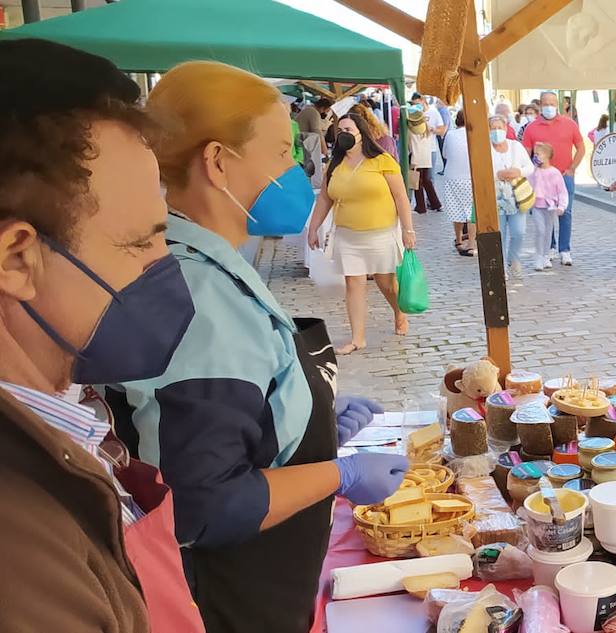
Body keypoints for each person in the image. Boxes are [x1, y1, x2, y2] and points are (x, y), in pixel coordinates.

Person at [104, 62, 409, 633]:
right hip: (232, 599)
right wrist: (336, 475)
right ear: (218, 162)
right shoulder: (196, 294)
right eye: (281, 151)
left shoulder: (212, 263)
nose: (296, 168)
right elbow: (203, 503)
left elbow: (226, 419)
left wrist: (301, 422)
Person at [0, 37, 205, 633]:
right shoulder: (20, 554)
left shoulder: (67, 419)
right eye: (140, 242)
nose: (166, 263)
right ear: (16, 259)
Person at [307, 113, 418, 355]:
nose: (343, 133)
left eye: (348, 128)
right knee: (353, 283)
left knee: (385, 282)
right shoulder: (334, 164)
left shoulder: (382, 160)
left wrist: (408, 230)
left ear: (361, 133)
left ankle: (399, 312)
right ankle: (357, 338)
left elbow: (400, 196)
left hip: (380, 232)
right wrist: (314, 227)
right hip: (348, 235)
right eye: (340, 130)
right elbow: (325, 197)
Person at [522, 90, 586, 266]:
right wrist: (529, 174)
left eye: (552, 103)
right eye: (545, 103)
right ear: (540, 105)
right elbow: (525, 153)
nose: (549, 106)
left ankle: (564, 250)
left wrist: (572, 167)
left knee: (565, 212)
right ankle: (549, 248)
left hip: (564, 176)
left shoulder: (569, 124)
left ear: (557, 104)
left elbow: (581, 147)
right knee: (544, 213)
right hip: (542, 178)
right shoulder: (532, 127)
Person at [490, 115, 536, 276]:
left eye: (499, 128)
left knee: (519, 232)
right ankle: (501, 267)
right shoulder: (486, 149)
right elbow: (480, 172)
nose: (496, 131)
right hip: (496, 199)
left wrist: (518, 171)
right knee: (499, 234)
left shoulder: (515, 146)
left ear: (505, 129)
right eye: (493, 128)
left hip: (516, 197)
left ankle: (513, 258)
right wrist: (498, 174)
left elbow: (529, 167)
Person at [437, 109, 476, 256]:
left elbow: (445, 154)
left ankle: (459, 239)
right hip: (470, 176)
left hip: (452, 175)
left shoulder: (451, 135)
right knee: (472, 212)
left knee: (456, 209)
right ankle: (472, 243)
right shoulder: (475, 134)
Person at [528, 142, 569, 271]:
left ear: (546, 155)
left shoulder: (555, 173)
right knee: (540, 230)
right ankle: (538, 256)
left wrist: (562, 206)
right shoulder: (534, 171)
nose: (536, 156)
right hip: (536, 205)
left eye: (538, 154)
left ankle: (545, 255)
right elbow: (528, 184)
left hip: (550, 206)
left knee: (547, 231)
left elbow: (562, 191)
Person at [407, 94, 443, 214]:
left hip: (416, 158)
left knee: (418, 182)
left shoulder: (411, 129)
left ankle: (421, 206)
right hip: (426, 157)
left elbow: (408, 144)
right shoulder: (426, 128)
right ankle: (436, 203)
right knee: (427, 181)